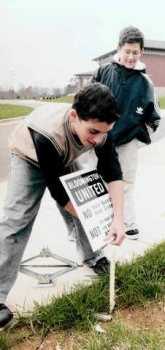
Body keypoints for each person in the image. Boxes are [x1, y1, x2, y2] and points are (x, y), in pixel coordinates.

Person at [0, 82, 125, 327]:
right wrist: (86, 214)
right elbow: (59, 193)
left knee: (85, 205)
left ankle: (92, 256)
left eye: (104, 132)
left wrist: (118, 219)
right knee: (16, 220)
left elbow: (113, 171)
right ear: (74, 117)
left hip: (65, 154)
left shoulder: (98, 130)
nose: (98, 139)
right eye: (93, 132)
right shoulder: (48, 135)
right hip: (29, 155)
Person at [87, 26, 161, 240]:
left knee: (126, 182)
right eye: (127, 51)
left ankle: (127, 222)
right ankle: (90, 224)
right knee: (94, 180)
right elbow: (85, 101)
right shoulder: (103, 72)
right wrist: (92, 133)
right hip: (100, 140)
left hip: (127, 143)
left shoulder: (145, 82)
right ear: (118, 49)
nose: (130, 56)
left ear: (141, 52)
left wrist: (137, 139)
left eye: (135, 52)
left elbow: (154, 116)